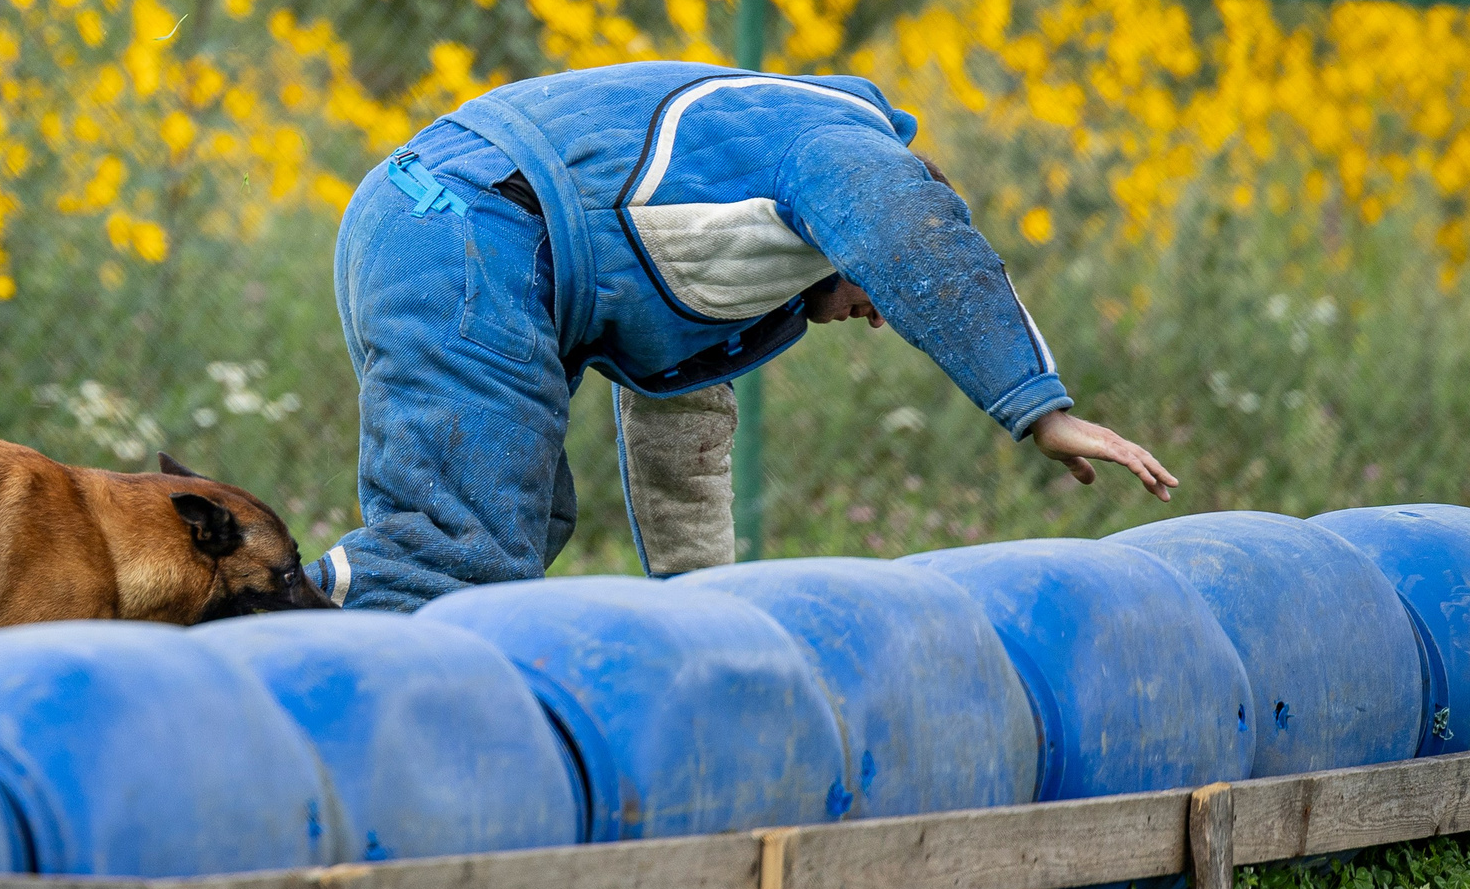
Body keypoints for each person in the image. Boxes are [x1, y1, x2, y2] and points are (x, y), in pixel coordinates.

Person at [307, 60, 1176, 612]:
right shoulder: (838, 147)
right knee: (455, 554)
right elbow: (916, 236)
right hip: (468, 227)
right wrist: (1038, 408)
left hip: (444, 220)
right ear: (843, 235)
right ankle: (241, 648)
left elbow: (679, 436)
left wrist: (705, 620)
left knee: (525, 524)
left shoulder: (736, 250)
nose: (876, 316)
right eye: (877, 298)